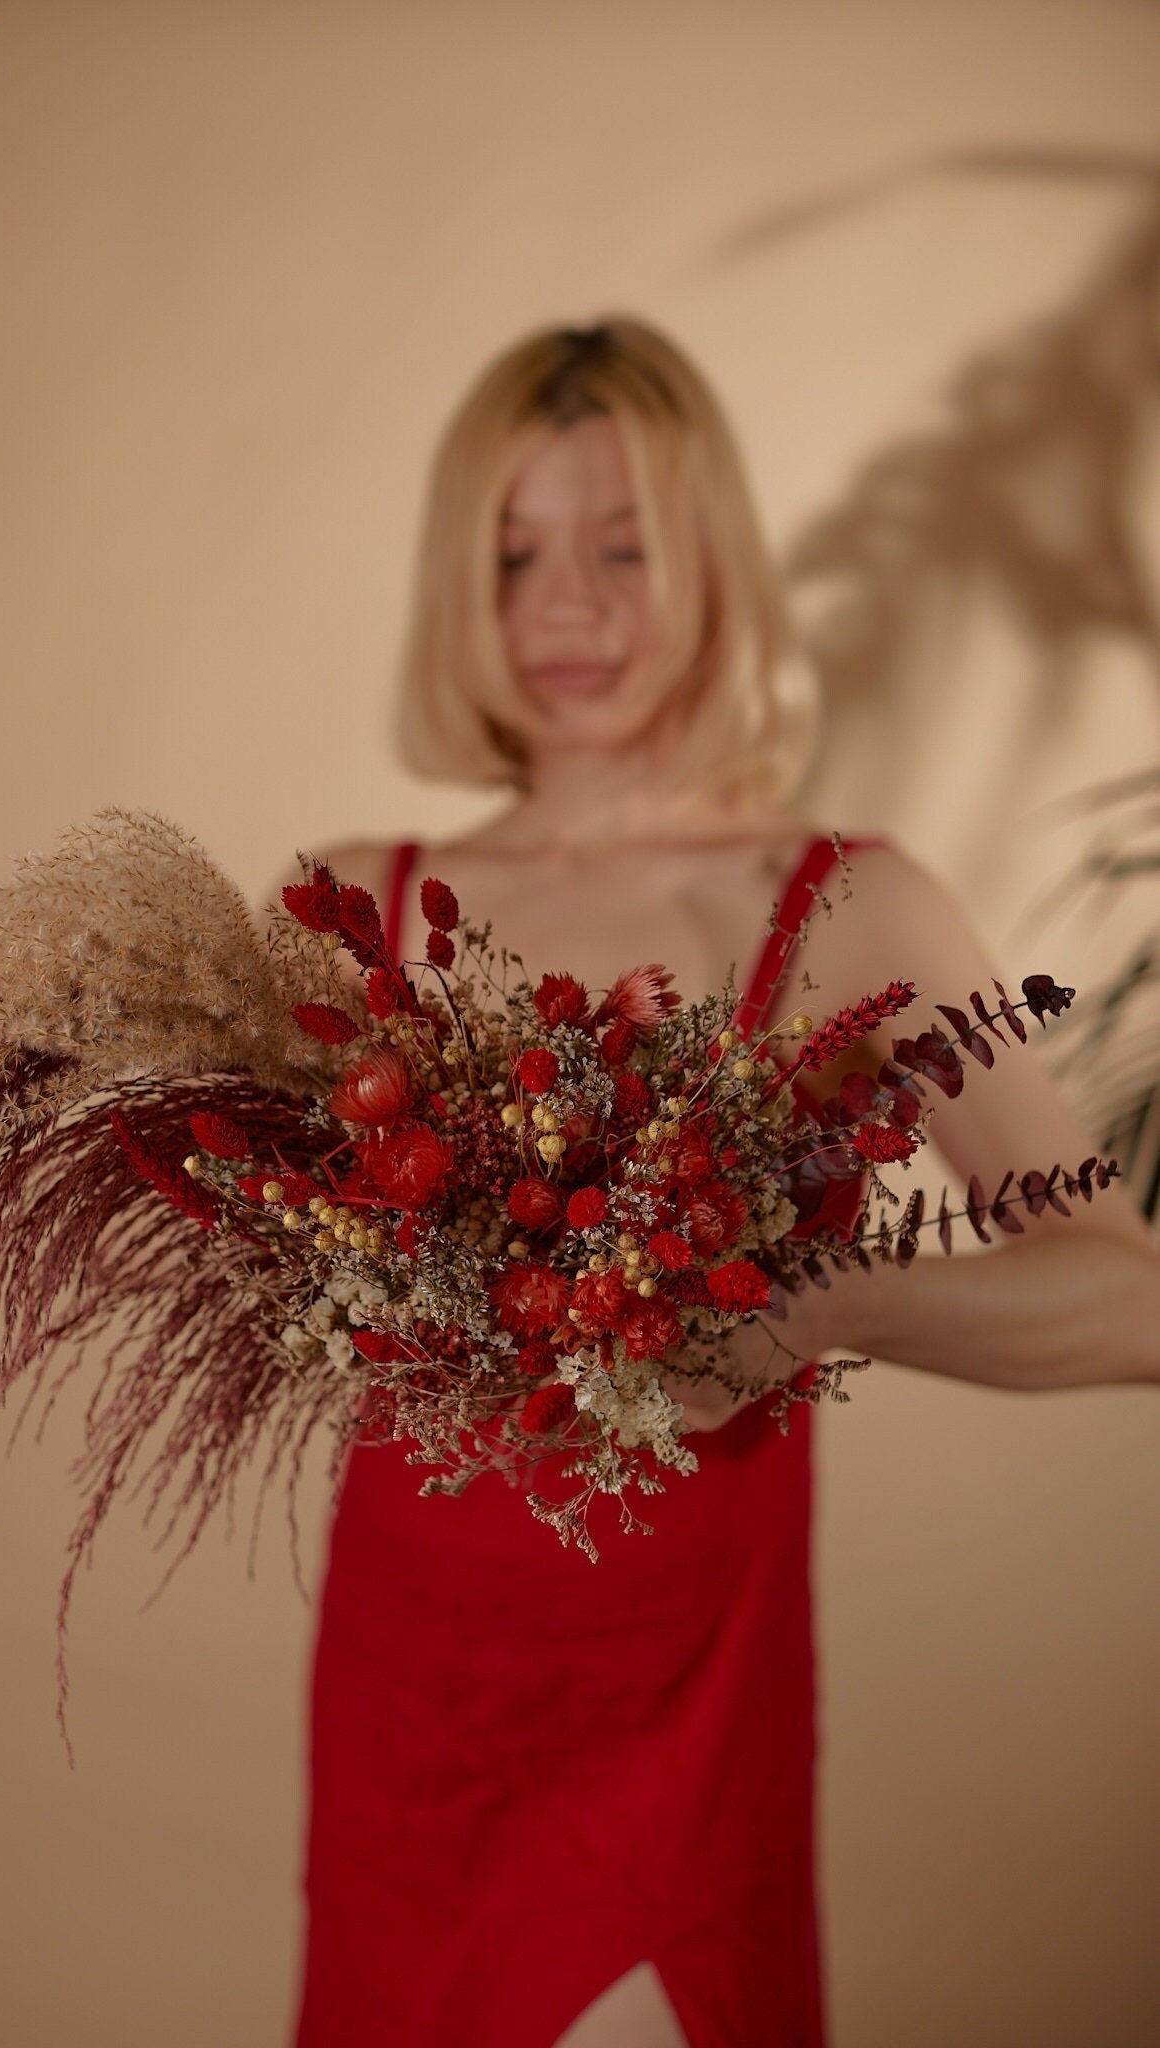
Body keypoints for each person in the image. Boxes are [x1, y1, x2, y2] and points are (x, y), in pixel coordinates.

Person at [276, 318, 1159, 2048]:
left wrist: (815, 1305)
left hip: (699, 1715)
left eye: (623, 545)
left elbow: (1132, 1296)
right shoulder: (335, 905)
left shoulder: (847, 908)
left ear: (716, 566)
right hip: (416, 1716)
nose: (565, 610)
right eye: (512, 552)